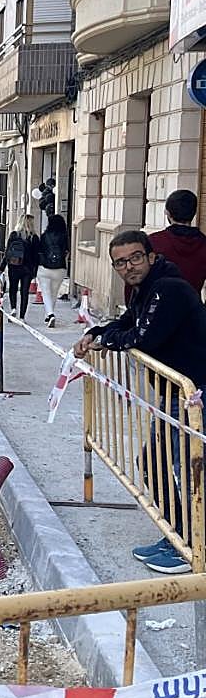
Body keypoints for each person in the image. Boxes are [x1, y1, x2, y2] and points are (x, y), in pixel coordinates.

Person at [75, 230, 206, 574]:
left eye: (135, 257)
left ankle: (193, 547)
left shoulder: (169, 289)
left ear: (150, 256)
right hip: (174, 392)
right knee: (154, 462)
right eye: (120, 262)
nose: (129, 266)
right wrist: (97, 333)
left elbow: (143, 338)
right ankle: (178, 534)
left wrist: (110, 341)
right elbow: (128, 322)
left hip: (194, 393)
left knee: (187, 468)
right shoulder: (145, 289)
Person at [149, 189, 206, 296]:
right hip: (193, 308)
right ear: (194, 213)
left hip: (160, 309)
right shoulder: (203, 243)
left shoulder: (153, 242)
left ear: (168, 213)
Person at [0, 214, 40, 319]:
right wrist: (35, 271)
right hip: (28, 268)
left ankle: (13, 309)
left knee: (13, 288)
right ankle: (22, 316)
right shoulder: (33, 237)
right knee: (24, 292)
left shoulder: (14, 235)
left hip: (14, 266)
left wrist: (2, 267)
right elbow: (36, 256)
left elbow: (7, 252)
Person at [36, 214, 69, 328]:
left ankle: (50, 314)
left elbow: (39, 251)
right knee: (54, 293)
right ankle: (48, 314)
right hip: (60, 268)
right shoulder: (64, 236)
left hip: (45, 267)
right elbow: (66, 251)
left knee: (46, 293)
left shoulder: (44, 235)